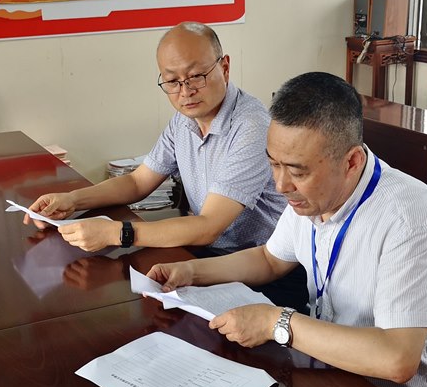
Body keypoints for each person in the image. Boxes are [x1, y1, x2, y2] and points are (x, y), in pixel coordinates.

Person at [146, 71, 427, 387]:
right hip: (334, 381)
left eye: (297, 171)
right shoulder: (315, 194)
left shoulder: (408, 215)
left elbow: (397, 359)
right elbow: (270, 259)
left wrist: (275, 322)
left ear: (351, 162)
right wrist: (191, 272)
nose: (281, 185)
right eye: (273, 163)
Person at [25, 22, 307, 310]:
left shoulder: (251, 127)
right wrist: (72, 200)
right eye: (172, 81)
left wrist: (116, 233)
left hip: (265, 270)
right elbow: (137, 182)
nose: (185, 91)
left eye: (196, 76)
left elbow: (209, 226)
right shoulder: (184, 121)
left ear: (224, 68)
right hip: (206, 257)